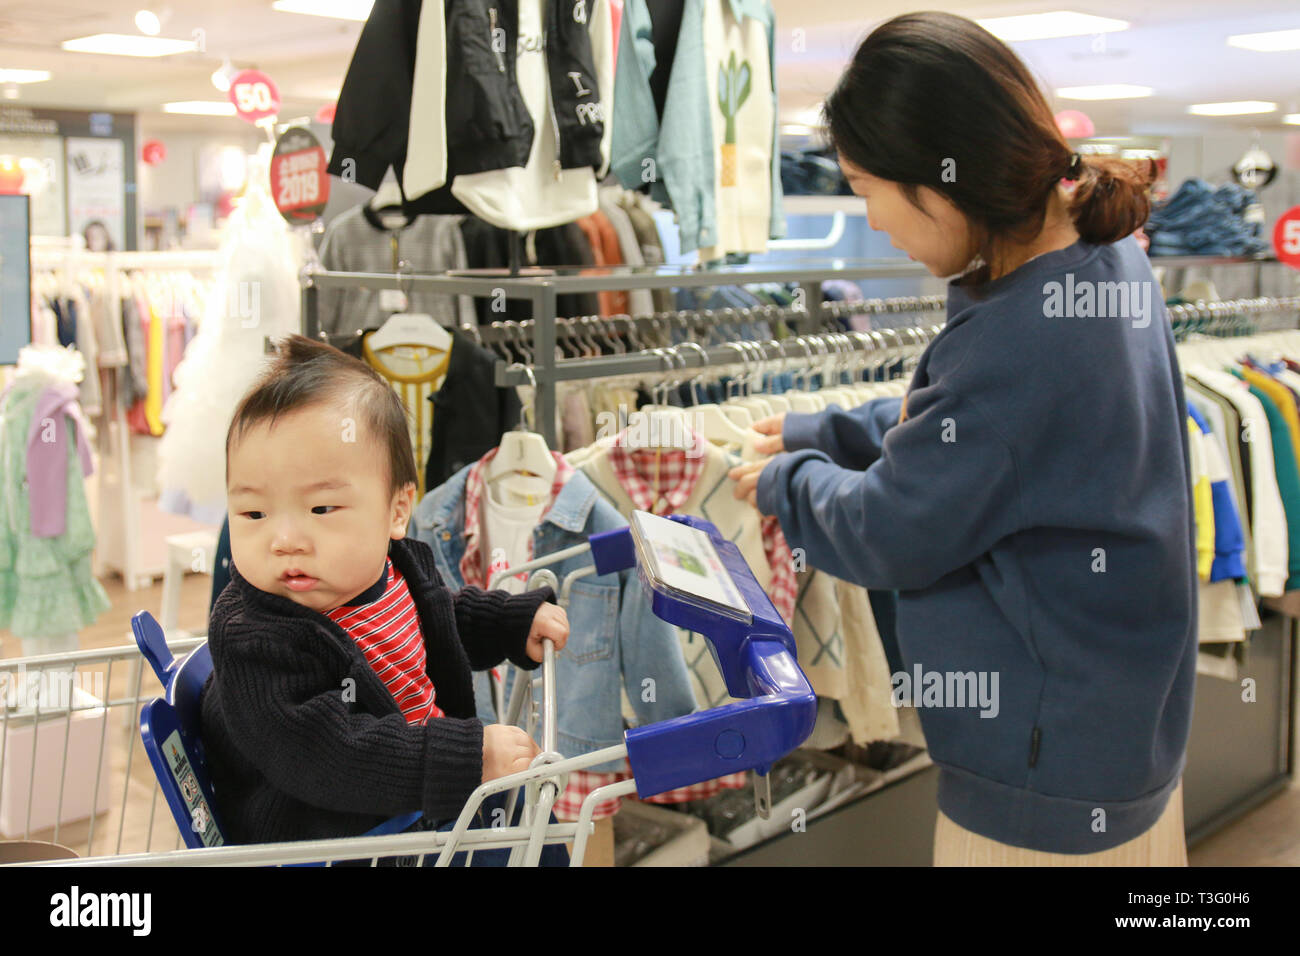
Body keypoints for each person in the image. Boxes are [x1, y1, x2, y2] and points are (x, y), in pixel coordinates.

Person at [729, 12, 1196, 866]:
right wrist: (820, 428)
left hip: (1041, 788)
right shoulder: (1099, 258)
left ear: (937, 184)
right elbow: (973, 443)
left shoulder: (1021, 338)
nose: (871, 219)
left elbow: (892, 531)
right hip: (1115, 743)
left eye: (868, 188)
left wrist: (787, 482)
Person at [200, 334, 571, 864]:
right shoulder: (255, 638)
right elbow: (329, 754)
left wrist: (508, 622)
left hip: (412, 809)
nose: (284, 540)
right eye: (254, 514)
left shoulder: (395, 570)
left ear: (397, 511)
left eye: (322, 509)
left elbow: (441, 623)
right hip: (331, 839)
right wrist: (461, 759)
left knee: (537, 827)